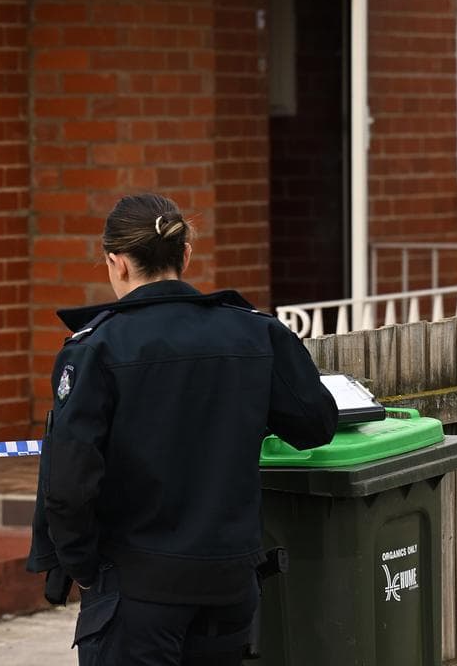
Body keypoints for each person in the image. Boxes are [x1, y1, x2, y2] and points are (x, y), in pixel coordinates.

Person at [27, 193, 338, 665]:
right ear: (185, 255)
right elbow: (315, 425)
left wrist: (82, 568)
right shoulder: (255, 332)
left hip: (138, 589)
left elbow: (68, 484)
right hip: (229, 584)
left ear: (117, 264)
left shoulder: (95, 349)